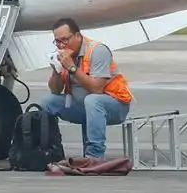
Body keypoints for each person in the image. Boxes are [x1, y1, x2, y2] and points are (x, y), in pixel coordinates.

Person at [38, 19, 132, 161]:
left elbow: (96, 88)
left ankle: (95, 156)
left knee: (92, 100)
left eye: (65, 39)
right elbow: (56, 90)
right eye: (57, 41)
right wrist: (56, 70)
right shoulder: (65, 55)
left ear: (77, 36)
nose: (61, 45)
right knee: (48, 101)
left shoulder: (97, 51)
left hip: (114, 105)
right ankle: (49, 150)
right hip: (83, 105)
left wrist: (72, 68)